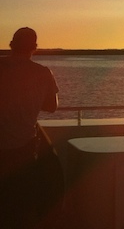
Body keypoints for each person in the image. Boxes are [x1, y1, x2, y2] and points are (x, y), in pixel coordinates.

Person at [0, 27, 59, 228]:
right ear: (34, 47)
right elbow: (51, 106)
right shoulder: (42, 73)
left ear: (11, 44)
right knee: (20, 200)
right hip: (23, 148)